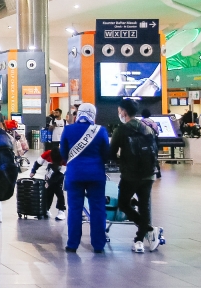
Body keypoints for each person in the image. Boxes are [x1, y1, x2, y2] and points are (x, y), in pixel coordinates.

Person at [110, 99, 161, 253]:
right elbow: (155, 150)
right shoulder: (147, 128)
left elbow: (111, 153)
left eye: (119, 111)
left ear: (124, 112)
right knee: (144, 206)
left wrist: (121, 162)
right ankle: (139, 239)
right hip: (148, 175)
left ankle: (149, 230)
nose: (119, 113)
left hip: (130, 176)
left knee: (124, 204)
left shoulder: (121, 130)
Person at [60, 103, 110, 253]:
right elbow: (106, 154)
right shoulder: (101, 130)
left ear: (78, 113)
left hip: (74, 174)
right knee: (98, 209)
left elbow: (63, 153)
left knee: (75, 209)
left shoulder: (68, 130)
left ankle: (73, 244)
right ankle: (98, 245)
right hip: (96, 175)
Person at [30, 147, 66, 220]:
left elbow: (61, 173)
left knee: (59, 193)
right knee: (47, 192)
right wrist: (33, 171)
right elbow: (38, 162)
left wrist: (49, 182)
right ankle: (46, 210)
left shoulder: (64, 157)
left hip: (60, 175)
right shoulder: (47, 153)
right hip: (49, 172)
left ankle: (61, 211)